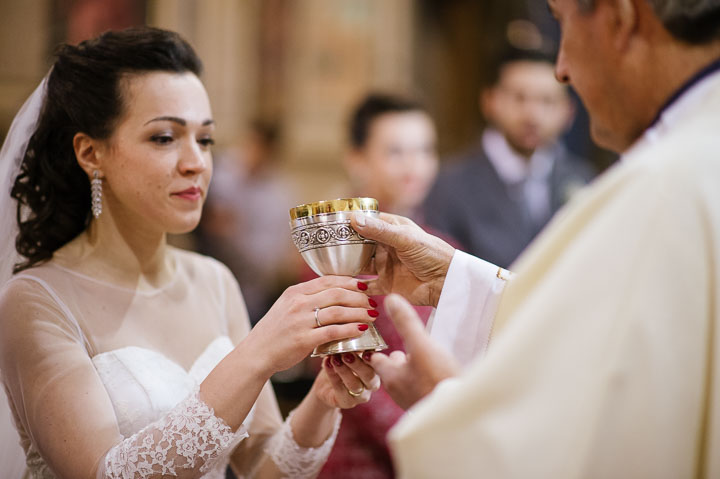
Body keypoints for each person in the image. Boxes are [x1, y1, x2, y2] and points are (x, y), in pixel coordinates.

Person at [348, 0, 720, 476]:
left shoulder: (667, 184)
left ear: (621, 19)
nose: (562, 69)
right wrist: (455, 278)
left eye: (563, 24)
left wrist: (449, 409)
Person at [0, 27, 382, 479]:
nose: (196, 162)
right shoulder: (36, 299)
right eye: (164, 138)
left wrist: (322, 399)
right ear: (90, 153)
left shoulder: (214, 281)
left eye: (205, 140)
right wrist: (258, 353)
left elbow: (260, 466)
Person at [318, 93, 443, 479]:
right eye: (396, 151)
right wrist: (441, 448)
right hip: (364, 460)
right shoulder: (334, 256)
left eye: (424, 150)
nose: (414, 165)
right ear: (356, 158)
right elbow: (360, 392)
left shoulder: (445, 246)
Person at [423, 44, 595, 268]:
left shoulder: (586, 180)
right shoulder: (449, 184)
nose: (532, 115)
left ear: (569, 111)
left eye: (547, 101)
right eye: (519, 98)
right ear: (489, 101)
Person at [197, 119, 298, 324]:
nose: (251, 153)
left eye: (259, 148)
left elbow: (269, 259)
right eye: (249, 144)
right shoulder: (217, 172)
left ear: (271, 153)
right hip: (203, 272)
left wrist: (234, 232)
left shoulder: (279, 196)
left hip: (250, 290)